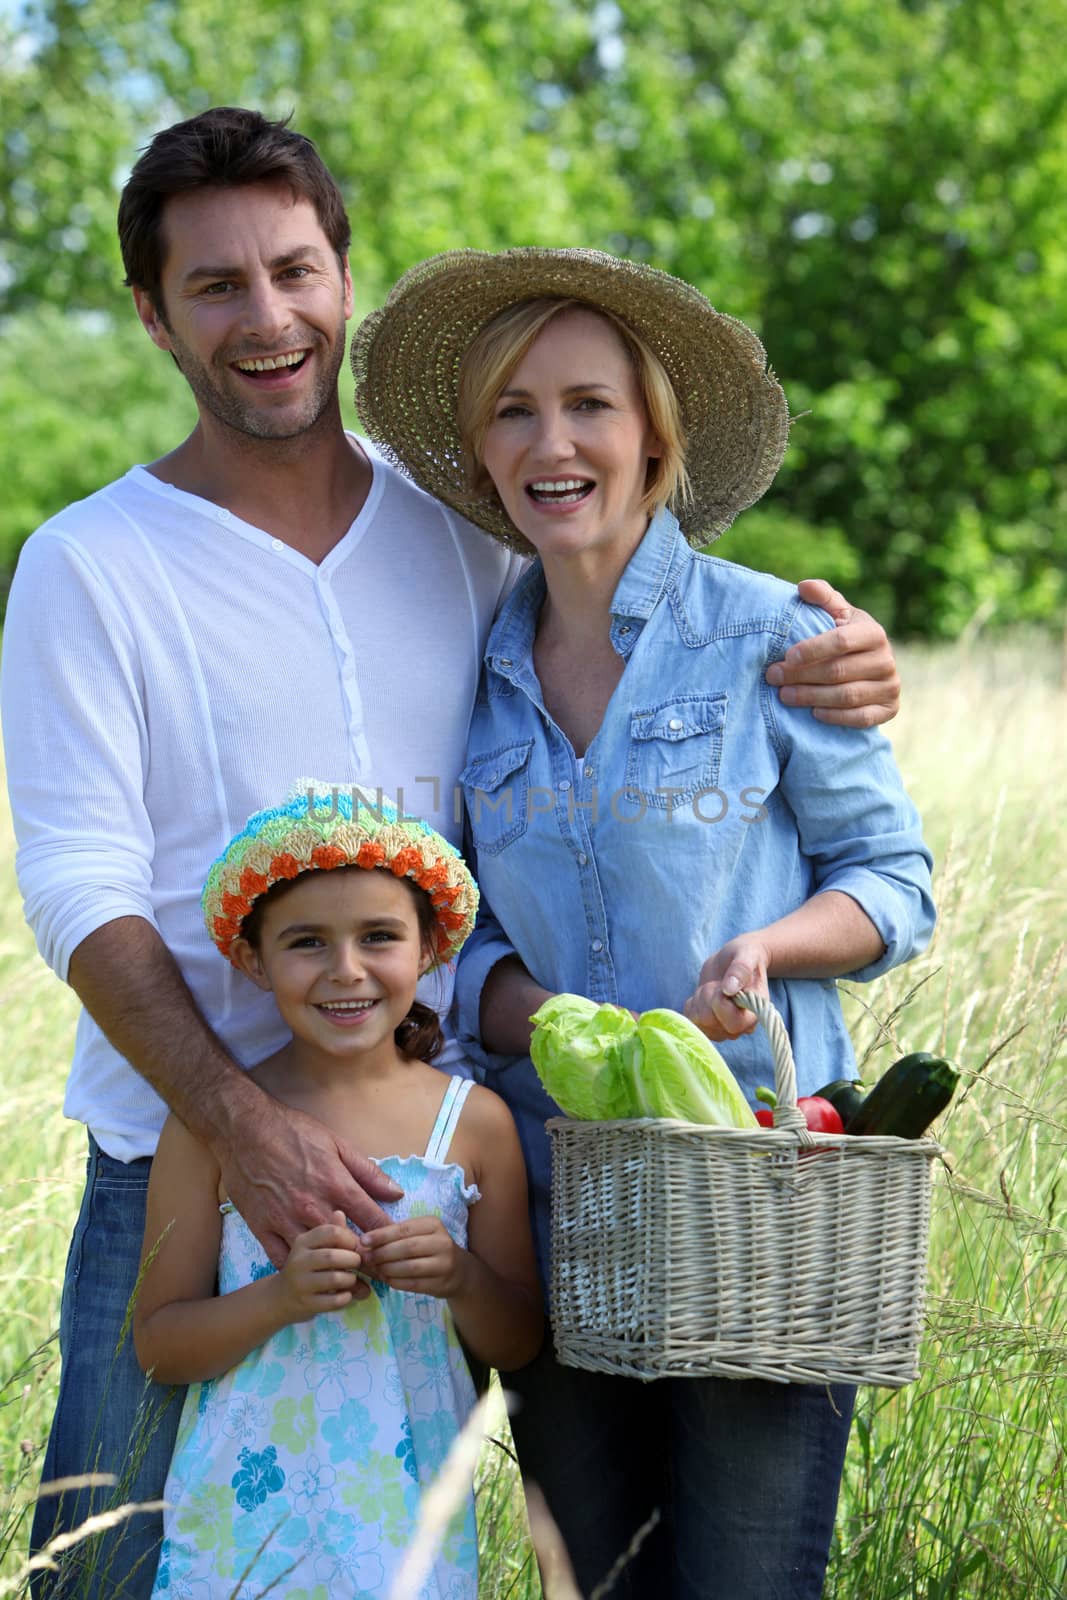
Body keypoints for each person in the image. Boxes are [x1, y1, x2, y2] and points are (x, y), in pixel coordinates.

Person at [0, 105, 900, 1598]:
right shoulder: (90, 565)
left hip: (455, 1170)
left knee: (394, 1557)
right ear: (152, 313)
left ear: (345, 282)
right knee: (109, 1566)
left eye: (295, 270)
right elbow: (75, 885)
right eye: (215, 285)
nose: (268, 316)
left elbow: (631, 651)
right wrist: (240, 1126)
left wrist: (836, 658)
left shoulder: (463, 529)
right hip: (188, 1166)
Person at [351, 248, 937, 1598]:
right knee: (595, 1580)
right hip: (550, 1213)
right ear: (481, 456)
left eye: (587, 405)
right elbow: (460, 926)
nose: (549, 442)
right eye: (512, 411)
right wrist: (530, 1013)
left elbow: (890, 881)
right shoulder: (473, 676)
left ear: (654, 438)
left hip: (755, 1198)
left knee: (737, 1580)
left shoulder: (768, 637)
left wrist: (767, 951)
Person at [134, 784, 541, 1597]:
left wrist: (460, 1277)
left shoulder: (475, 1124)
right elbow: (159, 1344)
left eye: (379, 937)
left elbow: (519, 1340)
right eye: (307, 942)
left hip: (407, 1519)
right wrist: (279, 1298)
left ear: (428, 949)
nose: (345, 971)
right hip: (246, 1522)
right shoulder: (213, 1130)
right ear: (253, 959)